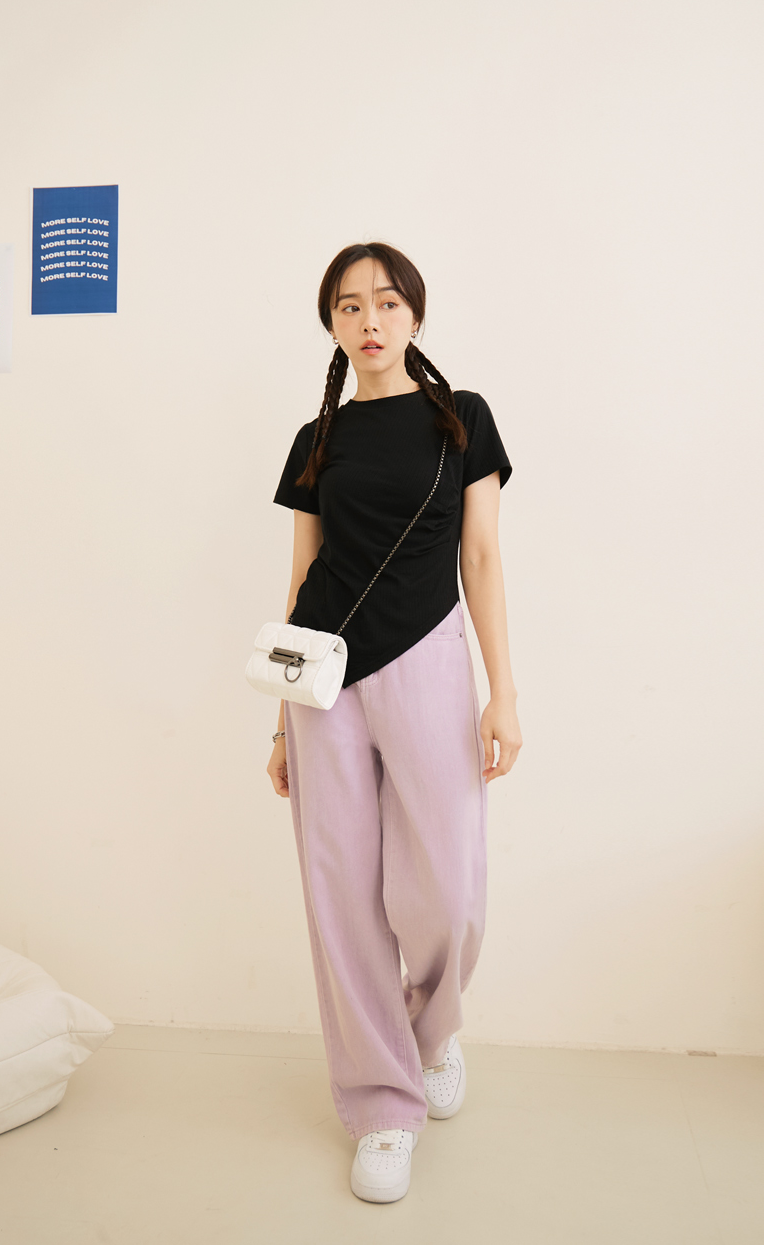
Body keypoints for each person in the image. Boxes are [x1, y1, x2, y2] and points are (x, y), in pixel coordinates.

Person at [266, 241, 521, 1203]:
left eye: (384, 302)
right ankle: (381, 1104)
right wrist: (282, 721)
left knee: (448, 887)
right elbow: (302, 576)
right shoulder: (316, 438)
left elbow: (482, 559)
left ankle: (432, 1030)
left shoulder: (463, 419)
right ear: (331, 323)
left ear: (414, 312)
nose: (368, 320)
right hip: (323, 680)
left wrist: (502, 691)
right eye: (348, 306)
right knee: (342, 894)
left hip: (428, 661)